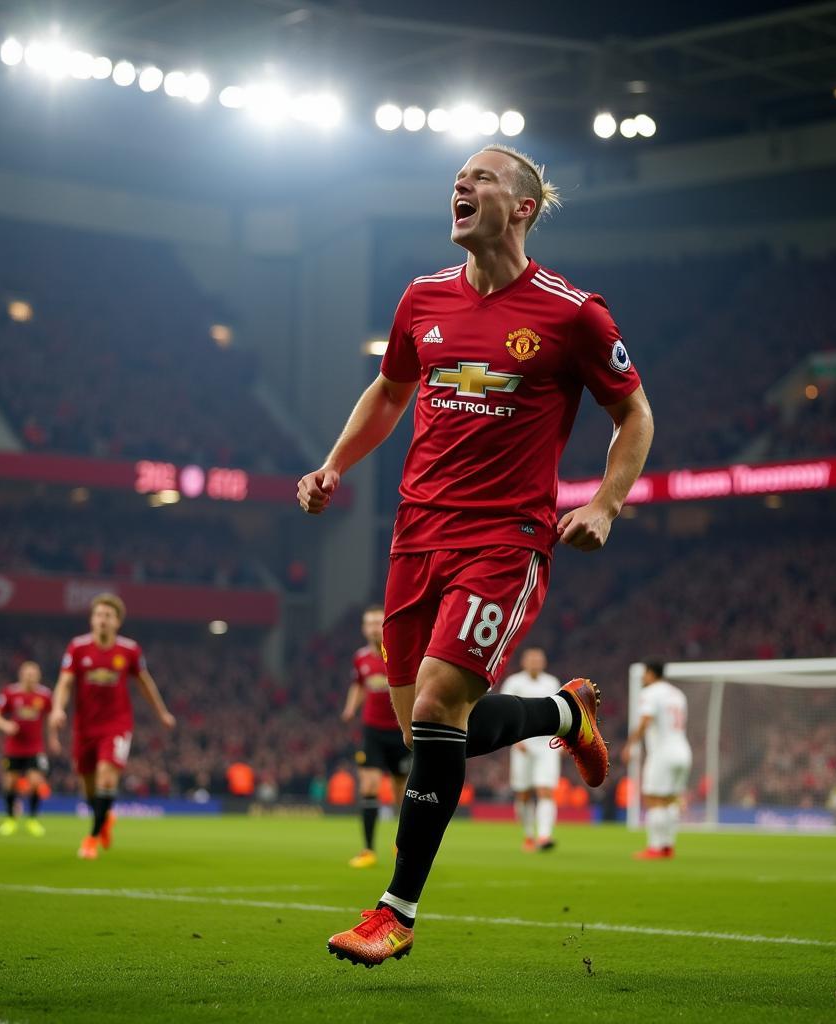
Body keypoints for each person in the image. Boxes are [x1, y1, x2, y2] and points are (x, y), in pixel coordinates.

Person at [298, 144, 653, 966]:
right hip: (415, 536)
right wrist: (334, 464)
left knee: (434, 707)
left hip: (506, 538)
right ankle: (564, 713)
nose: (461, 185)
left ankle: (397, 910)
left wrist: (604, 502)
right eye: (458, 178)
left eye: (482, 178)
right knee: (427, 725)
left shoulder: (573, 314)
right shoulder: (420, 298)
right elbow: (390, 391)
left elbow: (634, 415)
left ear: (522, 206)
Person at [48, 593, 175, 860]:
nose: (102, 620)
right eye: (98, 615)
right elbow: (65, 683)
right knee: (89, 787)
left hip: (116, 724)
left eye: (108, 616)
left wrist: (161, 712)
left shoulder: (129, 650)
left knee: (107, 775)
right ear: (91, 619)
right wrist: (58, 708)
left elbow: (145, 683)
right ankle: (104, 819)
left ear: (118, 622)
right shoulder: (78, 647)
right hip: (84, 727)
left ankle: (91, 838)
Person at [341, 605, 411, 868]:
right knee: (368, 786)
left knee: (401, 792)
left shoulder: (400, 653)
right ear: (363, 628)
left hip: (401, 730)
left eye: (377, 623)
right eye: (368, 623)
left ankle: (402, 846)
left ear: (386, 625)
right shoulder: (360, 658)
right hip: (372, 730)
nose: (372, 627)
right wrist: (350, 708)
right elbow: (359, 685)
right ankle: (368, 850)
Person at [621, 660, 692, 859]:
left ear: (651, 674)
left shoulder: (650, 693)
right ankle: (668, 846)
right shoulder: (678, 694)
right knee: (670, 800)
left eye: (645, 673)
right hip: (683, 751)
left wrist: (631, 744)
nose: (643, 677)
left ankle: (655, 847)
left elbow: (645, 720)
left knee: (654, 799)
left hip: (663, 753)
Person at [500, 648, 563, 851]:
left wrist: (561, 738)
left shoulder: (552, 683)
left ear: (544, 663)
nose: (535, 662)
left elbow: (561, 712)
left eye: (539, 659)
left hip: (547, 745)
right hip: (523, 744)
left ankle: (544, 836)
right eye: (532, 659)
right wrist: (514, 739)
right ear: (524, 662)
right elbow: (505, 713)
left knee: (546, 790)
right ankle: (528, 835)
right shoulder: (514, 683)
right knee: (524, 793)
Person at [0, 660, 52, 837]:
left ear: (38, 676)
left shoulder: (45, 695)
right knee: (10, 783)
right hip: (14, 747)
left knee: (35, 782)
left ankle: (32, 819)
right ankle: (10, 819)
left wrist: (53, 738)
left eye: (33, 674)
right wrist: (5, 725)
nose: (30, 677)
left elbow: (51, 717)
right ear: (21, 674)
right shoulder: (10, 692)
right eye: (27, 673)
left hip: (35, 747)